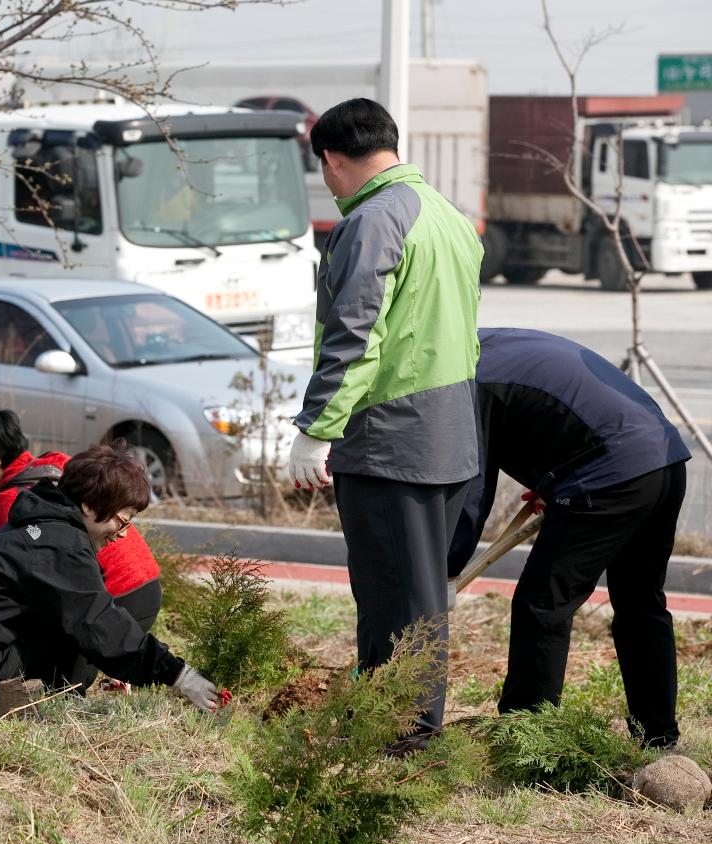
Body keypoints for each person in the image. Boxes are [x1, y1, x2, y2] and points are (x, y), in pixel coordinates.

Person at [286, 98, 482, 746]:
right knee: (420, 601)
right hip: (449, 434)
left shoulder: (373, 221)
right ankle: (393, 731)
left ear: (333, 160)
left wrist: (315, 429)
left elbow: (354, 335)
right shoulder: (448, 217)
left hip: (390, 441)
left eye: (325, 171)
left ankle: (398, 744)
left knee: (394, 603)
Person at [448, 328, 690, 748]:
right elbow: (556, 410)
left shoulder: (466, 378)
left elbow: (471, 489)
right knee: (640, 602)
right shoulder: (498, 343)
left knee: (543, 605)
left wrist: (445, 570)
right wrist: (557, 480)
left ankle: (527, 739)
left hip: (610, 472)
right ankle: (658, 735)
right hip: (663, 461)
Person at [0, 443, 220, 711]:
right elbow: (99, 623)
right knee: (84, 635)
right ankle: (56, 704)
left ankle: (56, 698)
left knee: (78, 628)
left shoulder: (48, 527)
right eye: (122, 519)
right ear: (89, 505)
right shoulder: (60, 543)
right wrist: (178, 675)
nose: (124, 533)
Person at [0, 407, 163, 635]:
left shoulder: (13, 502)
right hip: (148, 587)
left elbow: (36, 579)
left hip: (114, 602)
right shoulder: (57, 463)